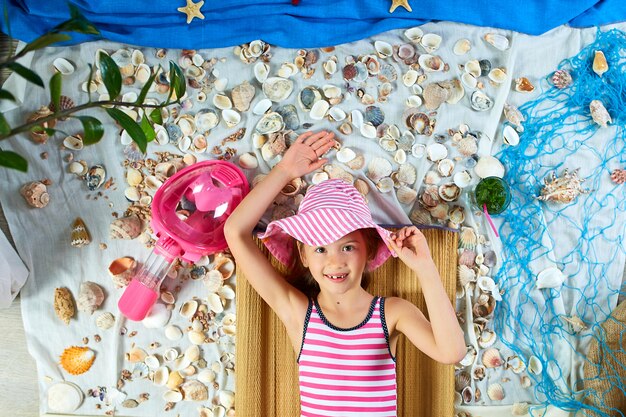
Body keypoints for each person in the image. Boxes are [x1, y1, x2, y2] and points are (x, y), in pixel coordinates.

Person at [224, 130, 465, 417]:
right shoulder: (299, 313)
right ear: (303, 255)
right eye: (320, 249)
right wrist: (285, 170)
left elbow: (451, 353)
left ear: (371, 250)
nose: (335, 261)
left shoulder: (393, 312)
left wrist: (425, 268)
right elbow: (235, 232)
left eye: (348, 247)